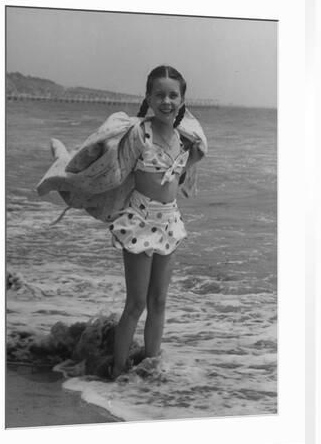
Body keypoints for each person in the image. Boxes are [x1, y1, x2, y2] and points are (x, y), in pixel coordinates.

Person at [36, 65, 207, 379]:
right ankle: (117, 370)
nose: (167, 100)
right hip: (140, 222)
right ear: (148, 97)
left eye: (174, 95)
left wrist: (195, 156)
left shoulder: (185, 139)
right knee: (137, 303)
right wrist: (73, 177)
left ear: (183, 99)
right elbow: (107, 172)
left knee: (159, 300)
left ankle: (150, 366)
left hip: (170, 223)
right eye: (160, 94)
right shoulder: (138, 134)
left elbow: (184, 168)